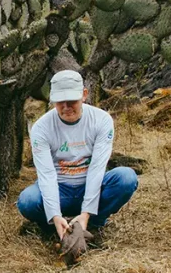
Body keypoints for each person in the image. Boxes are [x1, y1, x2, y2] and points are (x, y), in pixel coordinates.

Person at [17, 70, 139, 240]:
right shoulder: (41, 127)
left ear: (84, 95)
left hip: (89, 184)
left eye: (72, 101)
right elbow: (46, 174)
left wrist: (87, 211)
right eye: (60, 101)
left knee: (126, 178)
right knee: (27, 201)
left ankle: (93, 222)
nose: (66, 107)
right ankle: (54, 226)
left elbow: (97, 168)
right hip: (60, 189)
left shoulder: (101, 120)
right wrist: (55, 214)